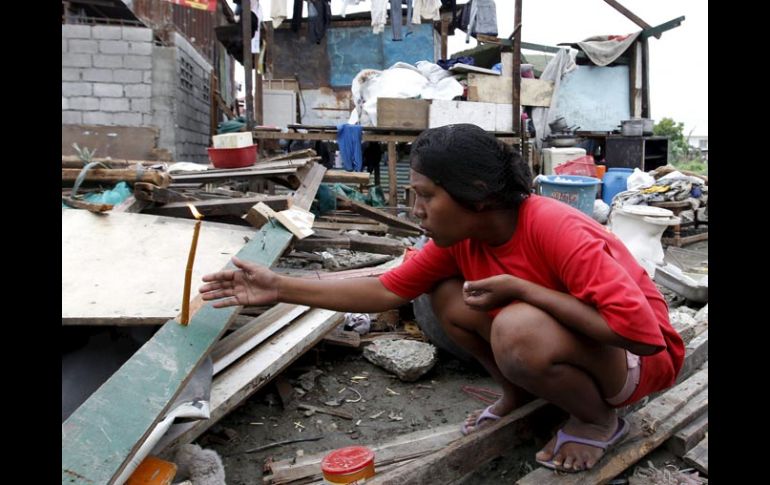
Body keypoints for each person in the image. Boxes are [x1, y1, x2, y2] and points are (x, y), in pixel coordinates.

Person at [199, 123, 684, 473]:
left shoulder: (555, 226)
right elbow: (387, 287)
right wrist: (279, 285)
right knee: (445, 295)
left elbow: (639, 335)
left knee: (517, 326)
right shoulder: (463, 239)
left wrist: (524, 290)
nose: (417, 210)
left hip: (643, 362)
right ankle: (518, 393)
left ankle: (598, 421)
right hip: (585, 348)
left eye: (426, 196)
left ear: (475, 195)